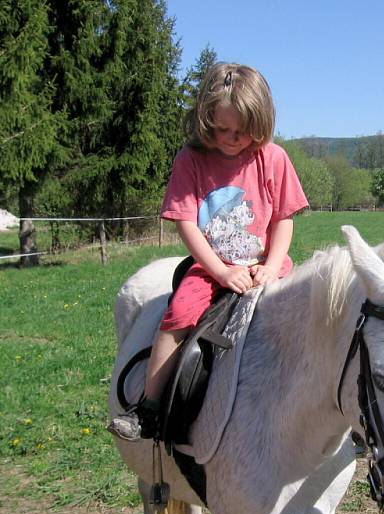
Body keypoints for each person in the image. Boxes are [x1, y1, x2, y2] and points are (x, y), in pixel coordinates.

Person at [109, 62, 309, 442]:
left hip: (266, 264)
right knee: (180, 315)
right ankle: (149, 408)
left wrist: (269, 266)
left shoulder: (274, 158)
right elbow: (186, 222)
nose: (232, 139)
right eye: (222, 129)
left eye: (243, 131)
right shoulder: (192, 160)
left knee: (304, 315)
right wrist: (219, 271)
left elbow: (284, 217)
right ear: (206, 119)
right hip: (213, 265)